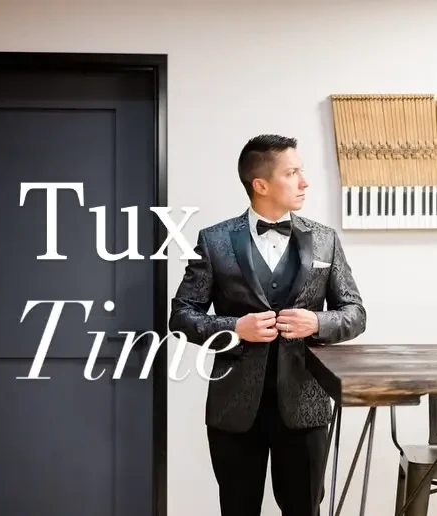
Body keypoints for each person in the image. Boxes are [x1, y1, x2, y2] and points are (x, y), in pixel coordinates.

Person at [168, 134, 366, 516]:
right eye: (292, 173)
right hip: (235, 410)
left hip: (305, 407)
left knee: (303, 510)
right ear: (260, 185)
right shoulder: (214, 241)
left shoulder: (324, 240)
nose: (304, 182)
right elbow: (181, 316)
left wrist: (318, 322)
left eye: (301, 172)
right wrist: (233, 328)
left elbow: (355, 313)